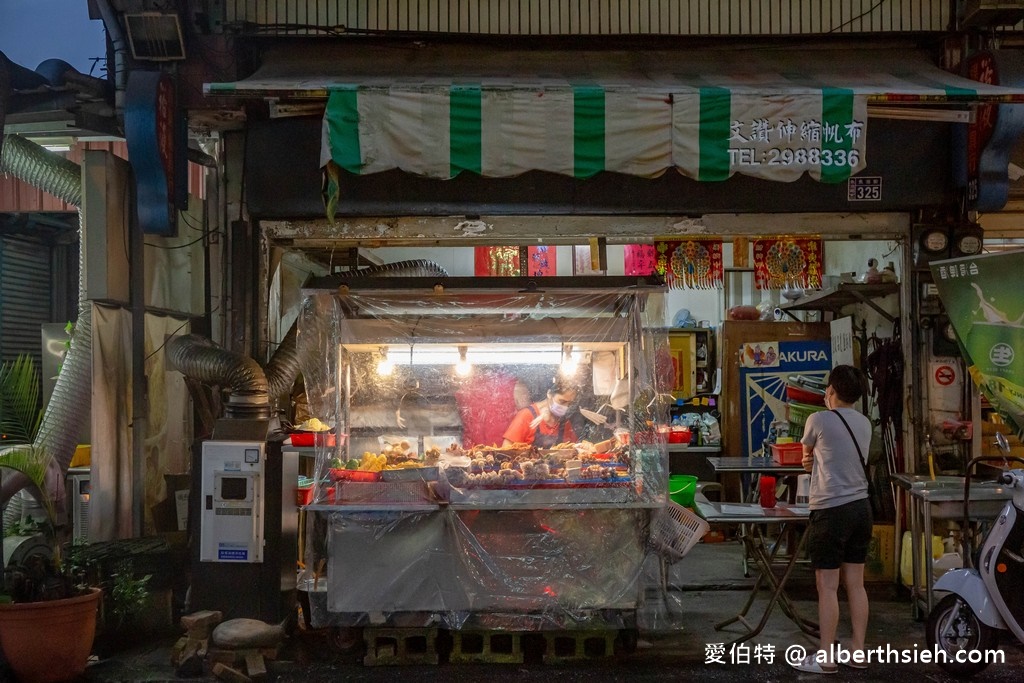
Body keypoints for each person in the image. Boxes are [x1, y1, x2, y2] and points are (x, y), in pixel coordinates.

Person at [791, 364, 872, 674]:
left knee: (827, 587)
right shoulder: (864, 423)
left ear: (831, 391)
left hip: (831, 509)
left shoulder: (818, 419)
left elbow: (806, 458)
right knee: (856, 585)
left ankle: (826, 658)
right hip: (861, 509)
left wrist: (809, 460)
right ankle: (858, 651)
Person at [502, 377, 580, 448]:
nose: (565, 407)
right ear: (549, 394)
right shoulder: (526, 416)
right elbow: (506, 449)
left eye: (569, 404)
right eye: (562, 401)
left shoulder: (564, 423)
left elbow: (574, 449)